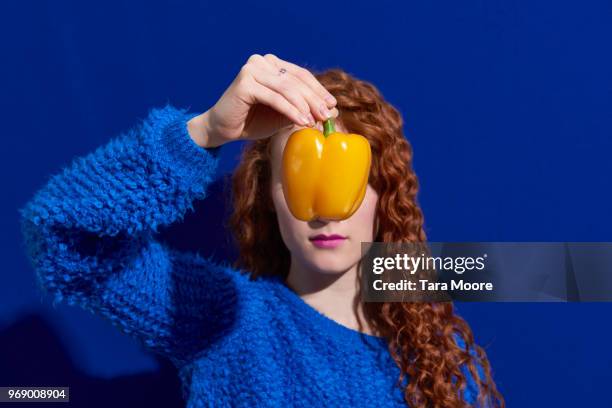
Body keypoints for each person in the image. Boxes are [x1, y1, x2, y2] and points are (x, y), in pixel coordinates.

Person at [20, 53, 503, 407]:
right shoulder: (226, 316)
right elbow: (62, 233)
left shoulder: (436, 351)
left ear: (387, 198)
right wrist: (205, 131)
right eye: (299, 176)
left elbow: (569, 274)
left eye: (352, 181)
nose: (326, 212)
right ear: (267, 195)